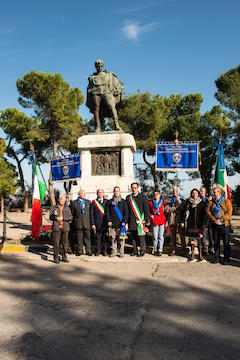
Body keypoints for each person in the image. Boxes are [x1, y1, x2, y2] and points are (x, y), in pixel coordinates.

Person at [206, 186, 232, 264]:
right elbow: (208, 211)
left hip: (225, 225)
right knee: (216, 242)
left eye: (215, 192)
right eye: (213, 192)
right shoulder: (211, 202)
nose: (213, 194)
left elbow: (229, 213)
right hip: (215, 225)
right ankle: (217, 258)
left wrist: (221, 220)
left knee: (226, 242)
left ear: (219, 192)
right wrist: (214, 220)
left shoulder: (226, 201)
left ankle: (226, 259)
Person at [182, 189, 206, 261]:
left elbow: (204, 214)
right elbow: (184, 211)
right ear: (191, 194)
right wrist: (183, 221)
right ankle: (192, 254)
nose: (194, 194)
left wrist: (204, 223)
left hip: (199, 224)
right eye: (193, 193)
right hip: (191, 223)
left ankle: (200, 255)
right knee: (192, 239)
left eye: (196, 193)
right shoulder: (188, 202)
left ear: (198, 194)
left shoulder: (202, 202)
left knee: (199, 239)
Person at [126, 182, 149, 257]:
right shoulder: (128, 198)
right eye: (132, 188)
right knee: (133, 237)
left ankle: (142, 251)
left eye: (135, 188)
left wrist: (146, 219)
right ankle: (135, 250)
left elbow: (146, 209)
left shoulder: (143, 197)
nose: (134, 189)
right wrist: (126, 221)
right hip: (131, 220)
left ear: (138, 188)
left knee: (141, 237)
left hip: (140, 221)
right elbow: (127, 211)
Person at [106, 186, 129, 258]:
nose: (116, 192)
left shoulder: (123, 201)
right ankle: (114, 252)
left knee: (122, 239)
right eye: (115, 191)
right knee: (113, 238)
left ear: (119, 192)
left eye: (117, 191)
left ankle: (121, 252)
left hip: (121, 224)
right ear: (113, 192)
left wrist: (124, 221)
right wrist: (109, 221)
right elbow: (107, 212)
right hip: (112, 223)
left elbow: (126, 213)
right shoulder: (109, 202)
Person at [50, 194, 73, 264]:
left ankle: (64, 256)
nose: (62, 201)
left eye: (63, 200)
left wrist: (63, 218)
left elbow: (70, 217)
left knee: (64, 244)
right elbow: (50, 218)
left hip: (65, 228)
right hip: (56, 228)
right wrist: (54, 216)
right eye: (61, 200)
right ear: (58, 200)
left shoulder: (67, 208)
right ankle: (56, 257)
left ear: (65, 201)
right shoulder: (54, 207)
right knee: (56, 244)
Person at [165, 186, 186, 257]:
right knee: (172, 236)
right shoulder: (169, 199)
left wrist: (179, 201)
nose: (175, 192)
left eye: (176, 190)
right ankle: (173, 250)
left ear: (179, 191)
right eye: (174, 190)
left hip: (180, 219)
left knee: (181, 235)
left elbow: (183, 209)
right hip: (172, 218)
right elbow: (166, 209)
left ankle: (183, 251)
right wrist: (172, 208)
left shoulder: (182, 199)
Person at [71, 189, 92, 256]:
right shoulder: (74, 203)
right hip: (78, 223)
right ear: (79, 194)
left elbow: (90, 213)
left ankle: (88, 251)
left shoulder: (88, 202)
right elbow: (72, 213)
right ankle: (79, 251)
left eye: (84, 193)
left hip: (87, 223)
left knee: (87, 238)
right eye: (82, 193)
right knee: (79, 238)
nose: (84, 195)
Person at [90, 189, 108, 256]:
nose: (100, 194)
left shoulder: (107, 201)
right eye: (99, 192)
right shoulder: (94, 202)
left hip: (105, 223)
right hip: (97, 223)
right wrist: (92, 223)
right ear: (97, 194)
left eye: (101, 192)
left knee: (105, 238)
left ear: (103, 193)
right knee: (98, 238)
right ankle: (98, 250)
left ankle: (105, 250)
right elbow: (91, 214)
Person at [149, 189, 166, 256]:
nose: (156, 195)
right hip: (155, 220)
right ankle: (155, 249)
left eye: (157, 194)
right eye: (155, 194)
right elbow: (148, 211)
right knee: (155, 237)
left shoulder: (163, 202)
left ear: (159, 195)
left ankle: (160, 250)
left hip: (161, 220)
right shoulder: (151, 203)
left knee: (160, 236)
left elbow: (165, 210)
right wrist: (151, 215)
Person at [199, 186, 214, 255]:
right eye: (200, 191)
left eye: (203, 191)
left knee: (211, 235)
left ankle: (211, 249)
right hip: (203, 220)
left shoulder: (210, 199)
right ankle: (205, 250)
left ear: (205, 192)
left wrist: (210, 200)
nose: (201, 192)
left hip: (210, 219)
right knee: (203, 235)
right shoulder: (199, 200)